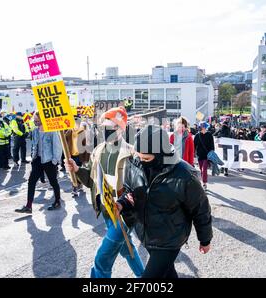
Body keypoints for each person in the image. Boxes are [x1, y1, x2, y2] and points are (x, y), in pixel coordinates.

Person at [117, 125, 213, 278]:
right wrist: (121, 203)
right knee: (167, 274)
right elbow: (130, 192)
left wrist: (205, 239)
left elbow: (200, 209)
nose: (141, 161)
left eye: (147, 158)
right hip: (145, 233)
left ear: (161, 153)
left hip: (170, 238)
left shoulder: (184, 174)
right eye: (139, 156)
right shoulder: (134, 163)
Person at [64, 107, 145, 278]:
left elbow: (139, 188)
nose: (104, 129)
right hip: (105, 208)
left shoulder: (131, 153)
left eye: (109, 126)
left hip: (124, 213)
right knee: (127, 248)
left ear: (119, 128)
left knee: (102, 259)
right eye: (103, 126)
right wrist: (77, 169)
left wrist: (127, 205)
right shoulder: (98, 150)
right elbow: (91, 181)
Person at [15, 112, 63, 213]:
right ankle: (28, 206)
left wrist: (55, 161)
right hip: (37, 160)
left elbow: (57, 147)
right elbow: (33, 145)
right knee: (31, 182)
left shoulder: (52, 131)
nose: (35, 122)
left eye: (37, 120)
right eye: (34, 120)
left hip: (49, 161)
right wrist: (33, 157)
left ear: (43, 120)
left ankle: (57, 201)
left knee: (53, 181)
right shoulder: (35, 131)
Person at [65, 118, 85, 197]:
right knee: (72, 172)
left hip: (80, 155)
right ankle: (75, 187)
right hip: (72, 155)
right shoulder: (69, 132)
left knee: (78, 171)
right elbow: (64, 140)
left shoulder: (83, 132)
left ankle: (79, 185)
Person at [194, 122, 214, 191]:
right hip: (199, 156)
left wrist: (212, 154)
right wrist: (194, 154)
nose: (202, 128)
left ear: (205, 127)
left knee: (204, 169)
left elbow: (212, 146)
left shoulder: (209, 135)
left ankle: (204, 183)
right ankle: (204, 181)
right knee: (201, 169)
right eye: (201, 127)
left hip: (207, 156)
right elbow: (194, 146)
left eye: (203, 127)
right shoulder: (197, 135)